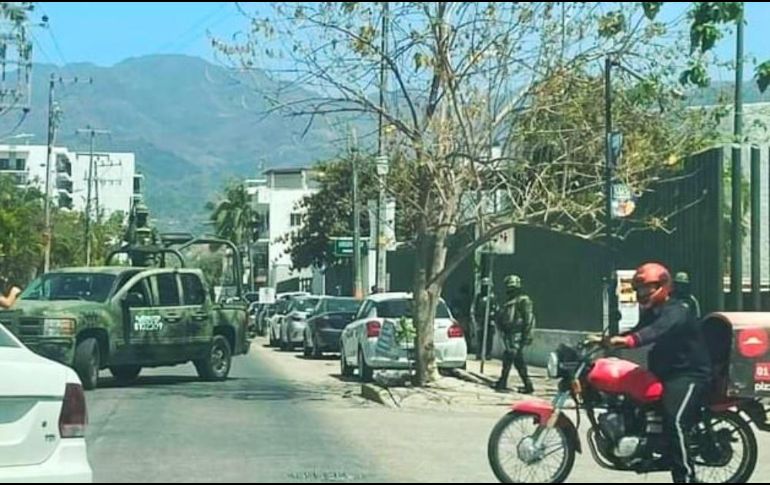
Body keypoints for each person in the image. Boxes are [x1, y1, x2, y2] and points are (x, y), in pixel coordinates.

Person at [611, 262, 712, 484]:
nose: (642, 293)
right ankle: (652, 450)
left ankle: (686, 477)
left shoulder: (678, 309)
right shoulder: (653, 311)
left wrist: (631, 340)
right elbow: (640, 329)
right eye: (639, 289)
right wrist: (608, 340)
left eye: (647, 288)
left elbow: (656, 330)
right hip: (665, 372)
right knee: (631, 401)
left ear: (663, 286)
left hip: (689, 374)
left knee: (675, 421)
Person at [495, 274, 535, 394]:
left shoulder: (524, 301)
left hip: (517, 335)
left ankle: (504, 382)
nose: (510, 291)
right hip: (509, 334)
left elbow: (528, 319)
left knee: (510, 358)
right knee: (517, 361)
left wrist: (526, 336)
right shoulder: (509, 302)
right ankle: (526, 385)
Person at [472, 278, 497, 360]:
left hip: (490, 321)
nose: (485, 288)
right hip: (480, 320)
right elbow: (475, 308)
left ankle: (488, 354)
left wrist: (493, 314)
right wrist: (476, 318)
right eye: (484, 286)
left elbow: (496, 308)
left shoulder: (492, 297)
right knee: (480, 338)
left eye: (487, 286)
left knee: (489, 338)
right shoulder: (479, 297)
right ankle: (479, 353)